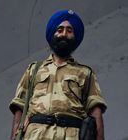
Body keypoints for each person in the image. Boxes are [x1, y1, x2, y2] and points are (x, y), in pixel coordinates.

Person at [9, 9, 107, 140]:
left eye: (69, 30)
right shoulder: (34, 69)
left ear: (74, 37)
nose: (64, 34)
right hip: (36, 135)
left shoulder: (85, 73)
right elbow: (20, 106)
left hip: (71, 134)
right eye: (60, 30)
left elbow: (96, 111)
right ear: (53, 34)